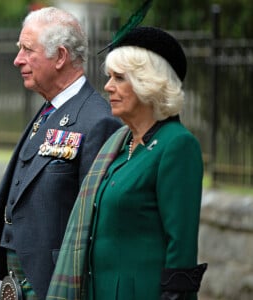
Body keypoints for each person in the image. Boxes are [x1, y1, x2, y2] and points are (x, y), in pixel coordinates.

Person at [46, 26, 207, 300]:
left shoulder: (177, 145)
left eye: (119, 78)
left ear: (150, 83)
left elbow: (181, 246)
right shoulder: (119, 144)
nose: (108, 87)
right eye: (110, 77)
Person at [0, 6, 121, 300]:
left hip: (57, 283)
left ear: (60, 56)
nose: (17, 59)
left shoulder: (98, 120)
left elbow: (97, 225)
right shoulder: (50, 110)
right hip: (19, 278)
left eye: (27, 49)